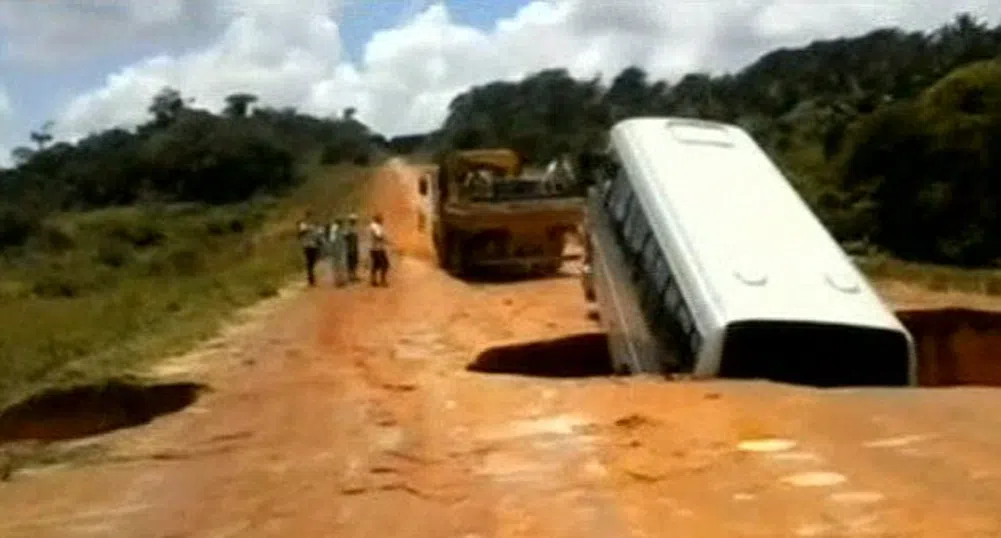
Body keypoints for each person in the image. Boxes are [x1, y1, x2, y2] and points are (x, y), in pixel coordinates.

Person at [296, 211, 323, 287]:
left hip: (313, 245)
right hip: (307, 245)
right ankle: (311, 279)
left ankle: (311, 277)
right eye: (309, 216)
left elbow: (318, 235)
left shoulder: (314, 225)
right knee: (309, 263)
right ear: (307, 217)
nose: (311, 218)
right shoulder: (303, 225)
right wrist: (305, 230)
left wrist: (319, 241)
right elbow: (299, 234)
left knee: (313, 262)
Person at [368, 214, 390, 287]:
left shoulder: (374, 226)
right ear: (377, 219)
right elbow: (379, 236)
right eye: (381, 219)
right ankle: (382, 281)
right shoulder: (375, 226)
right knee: (385, 264)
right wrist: (387, 241)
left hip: (375, 249)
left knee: (376, 265)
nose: (382, 220)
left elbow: (379, 236)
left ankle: (373, 280)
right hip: (378, 249)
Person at [327, 217, 348, 287]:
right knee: (337, 265)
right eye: (341, 223)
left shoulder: (337, 229)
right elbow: (332, 241)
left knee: (339, 265)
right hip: (336, 250)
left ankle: (340, 280)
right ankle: (338, 281)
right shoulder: (335, 229)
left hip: (339, 249)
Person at [344, 214, 360, 282]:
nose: (354, 221)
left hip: (354, 247)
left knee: (355, 261)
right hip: (350, 248)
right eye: (353, 220)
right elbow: (345, 237)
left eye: (354, 220)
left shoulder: (355, 228)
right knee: (350, 262)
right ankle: (350, 277)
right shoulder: (348, 228)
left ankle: (354, 275)